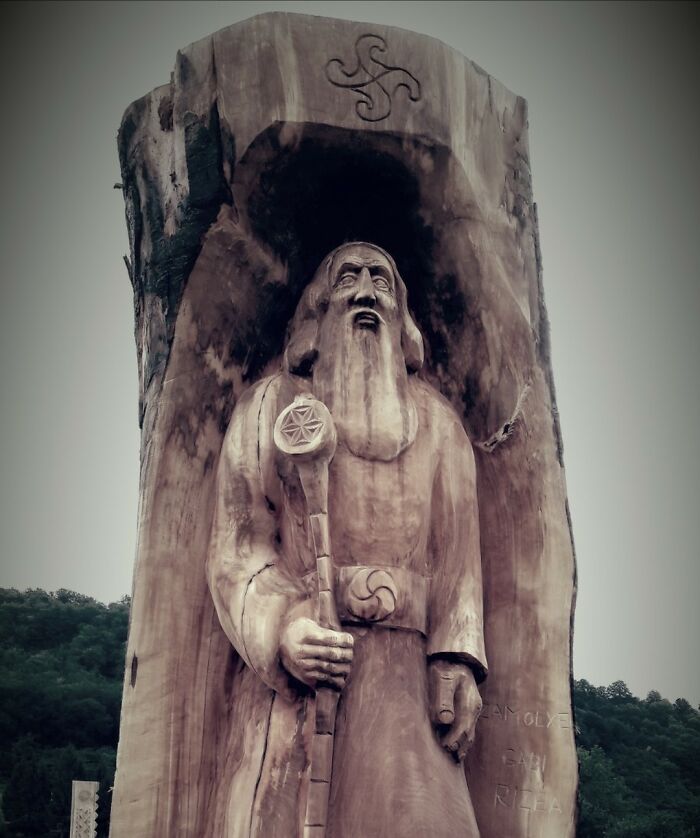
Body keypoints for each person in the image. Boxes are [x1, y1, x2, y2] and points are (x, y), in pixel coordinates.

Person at [207, 242, 487, 838]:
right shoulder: (269, 408)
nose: (366, 292)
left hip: (407, 690)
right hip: (307, 685)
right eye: (350, 279)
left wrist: (456, 660)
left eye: (382, 280)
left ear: (401, 314)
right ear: (320, 308)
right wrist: (284, 629)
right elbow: (237, 549)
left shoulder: (442, 428)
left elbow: (460, 566)